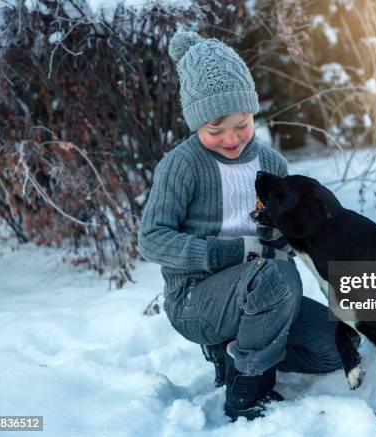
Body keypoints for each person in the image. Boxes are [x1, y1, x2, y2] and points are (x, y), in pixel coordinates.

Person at [138, 31, 344, 421]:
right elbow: (150, 240)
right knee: (273, 277)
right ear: (196, 121)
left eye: (242, 123)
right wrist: (228, 252)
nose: (231, 138)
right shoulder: (182, 166)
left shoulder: (271, 165)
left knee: (334, 345)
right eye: (215, 130)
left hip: (269, 292)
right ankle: (247, 391)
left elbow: (287, 238)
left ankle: (241, 348)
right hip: (196, 299)